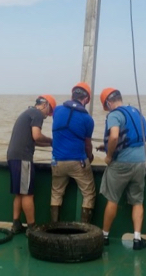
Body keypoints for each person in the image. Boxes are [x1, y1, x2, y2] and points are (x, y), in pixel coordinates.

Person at [97, 88, 146, 250]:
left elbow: (114, 136)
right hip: (140, 162)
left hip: (121, 164)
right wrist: (104, 146)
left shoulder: (115, 114)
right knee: (137, 201)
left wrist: (109, 155)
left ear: (108, 102)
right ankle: (137, 239)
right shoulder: (136, 112)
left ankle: (104, 236)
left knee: (112, 199)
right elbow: (138, 135)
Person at [7, 94, 56, 234]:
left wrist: (52, 143)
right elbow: (37, 136)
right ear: (45, 104)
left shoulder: (27, 112)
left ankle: (16, 224)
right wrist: (52, 139)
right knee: (28, 194)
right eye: (49, 111)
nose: (48, 115)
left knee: (19, 193)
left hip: (13, 156)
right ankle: (32, 227)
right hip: (23, 157)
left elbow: (35, 140)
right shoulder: (37, 114)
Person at [50, 82, 96, 223]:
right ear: (87, 99)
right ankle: (84, 229)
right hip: (78, 162)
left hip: (57, 161)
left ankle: (54, 227)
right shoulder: (88, 119)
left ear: (72, 95)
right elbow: (87, 145)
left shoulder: (57, 110)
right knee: (89, 193)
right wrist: (90, 157)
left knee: (56, 193)